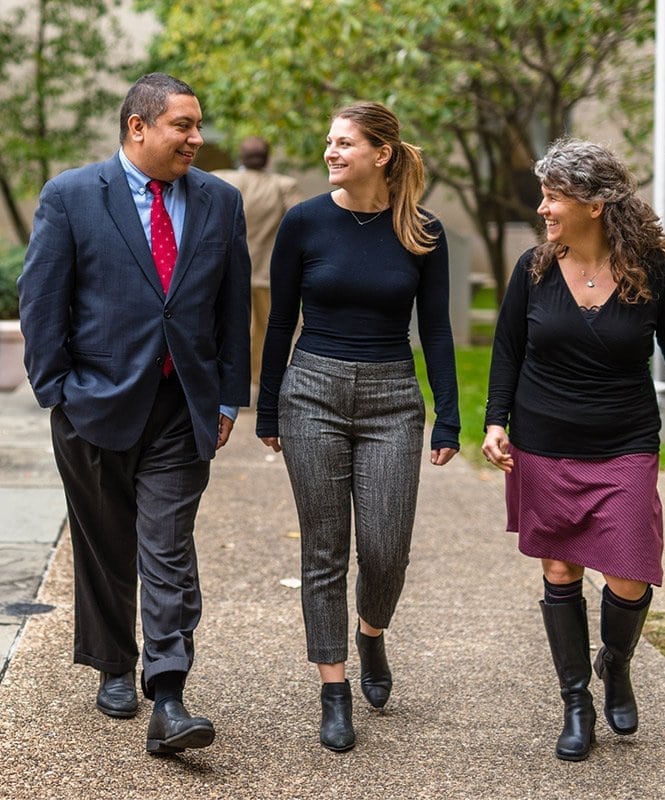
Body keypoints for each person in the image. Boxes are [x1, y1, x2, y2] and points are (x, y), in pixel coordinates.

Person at [18, 73, 251, 755]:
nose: (197, 138)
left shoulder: (220, 201)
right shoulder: (71, 195)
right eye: (184, 125)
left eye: (198, 124)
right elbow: (42, 300)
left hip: (183, 406)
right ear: (138, 126)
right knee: (106, 544)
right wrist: (57, 392)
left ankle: (169, 691)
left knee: (168, 546)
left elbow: (233, 306)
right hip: (93, 403)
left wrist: (227, 396)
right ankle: (114, 662)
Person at [482, 138, 665, 762]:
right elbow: (506, 350)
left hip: (624, 442)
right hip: (543, 441)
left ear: (594, 204)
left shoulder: (650, 269)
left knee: (629, 572)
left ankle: (615, 662)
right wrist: (495, 421)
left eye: (553, 197)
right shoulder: (533, 269)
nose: (543, 208)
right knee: (560, 570)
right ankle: (575, 702)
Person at [256, 102, 460, 752]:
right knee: (323, 549)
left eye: (344, 142)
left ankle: (371, 634)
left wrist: (449, 414)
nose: (330, 152)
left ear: (382, 153)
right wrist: (267, 406)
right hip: (311, 391)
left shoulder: (422, 230)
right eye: (329, 141)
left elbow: (436, 328)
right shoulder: (303, 222)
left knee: (385, 549)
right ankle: (334, 690)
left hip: (392, 398)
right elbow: (279, 321)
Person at [213, 137, 301, 387]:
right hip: (267, 274)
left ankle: (231, 384)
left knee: (227, 331)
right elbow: (300, 223)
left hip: (226, 274)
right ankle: (258, 386)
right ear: (267, 158)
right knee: (266, 334)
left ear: (240, 156)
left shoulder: (221, 179)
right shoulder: (284, 185)